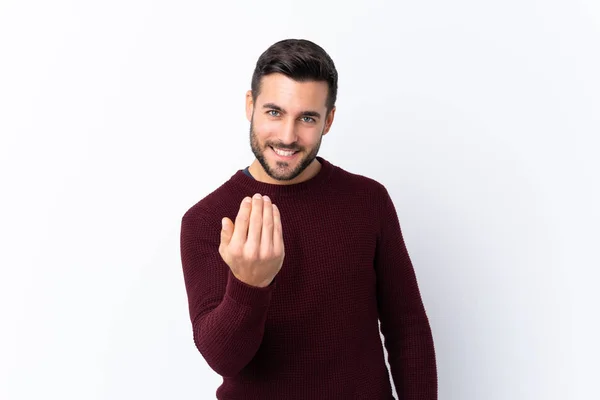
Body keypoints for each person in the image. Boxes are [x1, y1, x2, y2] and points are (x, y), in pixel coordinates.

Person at [180, 38, 437, 399]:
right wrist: (249, 284)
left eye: (306, 118)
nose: (287, 135)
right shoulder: (207, 219)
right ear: (250, 105)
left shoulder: (368, 200)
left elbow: (407, 328)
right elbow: (223, 359)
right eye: (274, 112)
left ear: (328, 121)